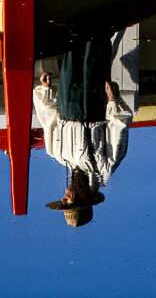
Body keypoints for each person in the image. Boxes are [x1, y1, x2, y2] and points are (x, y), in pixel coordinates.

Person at [33, 38, 133, 228]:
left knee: (71, 51)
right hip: (93, 104)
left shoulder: (58, 155)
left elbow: (49, 120)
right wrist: (112, 101)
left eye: (63, 201)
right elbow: (118, 128)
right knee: (94, 54)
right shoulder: (103, 168)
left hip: (66, 102)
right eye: (70, 201)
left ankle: (75, 22)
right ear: (85, 198)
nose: (65, 197)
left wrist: (45, 91)